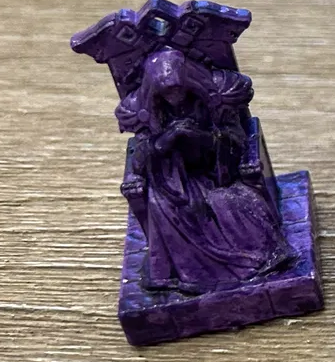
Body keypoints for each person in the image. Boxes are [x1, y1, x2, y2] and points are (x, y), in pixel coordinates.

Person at [115, 48, 291, 293]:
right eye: (167, 92)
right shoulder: (148, 113)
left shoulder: (212, 102)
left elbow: (235, 140)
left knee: (231, 202)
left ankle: (253, 260)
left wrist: (202, 137)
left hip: (217, 174)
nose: (174, 96)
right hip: (173, 180)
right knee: (168, 207)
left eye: (178, 89)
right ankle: (193, 274)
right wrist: (166, 139)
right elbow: (141, 156)